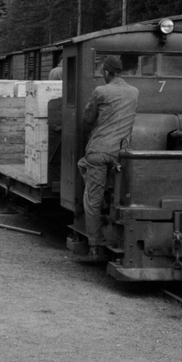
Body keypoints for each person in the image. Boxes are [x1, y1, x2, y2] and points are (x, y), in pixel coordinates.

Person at [77, 56, 139, 262]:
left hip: (99, 151)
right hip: (121, 154)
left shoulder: (101, 91)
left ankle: (94, 247)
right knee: (84, 167)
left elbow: (87, 119)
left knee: (91, 201)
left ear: (106, 73)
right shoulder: (134, 92)